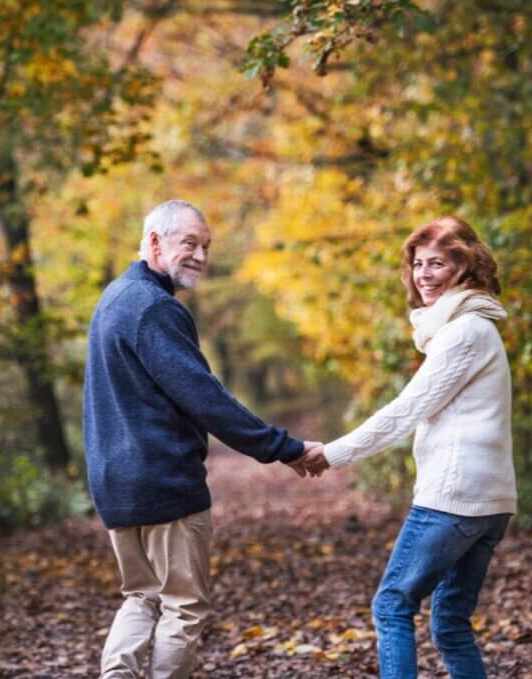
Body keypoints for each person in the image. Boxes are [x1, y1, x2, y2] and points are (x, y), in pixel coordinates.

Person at [83, 199, 323, 679]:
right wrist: (283, 448)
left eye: (206, 246)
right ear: (154, 241)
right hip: (162, 482)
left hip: (114, 485)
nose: (199, 255)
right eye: (188, 242)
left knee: (141, 596)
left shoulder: (114, 298)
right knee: (183, 607)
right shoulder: (154, 309)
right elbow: (204, 398)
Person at [305, 216, 517, 678]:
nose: (423, 274)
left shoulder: (464, 332)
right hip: (489, 500)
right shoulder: (471, 328)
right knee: (450, 624)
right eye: (418, 264)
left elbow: (406, 410)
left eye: (437, 263)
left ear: (466, 267)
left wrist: (332, 453)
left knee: (392, 604)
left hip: (456, 496)